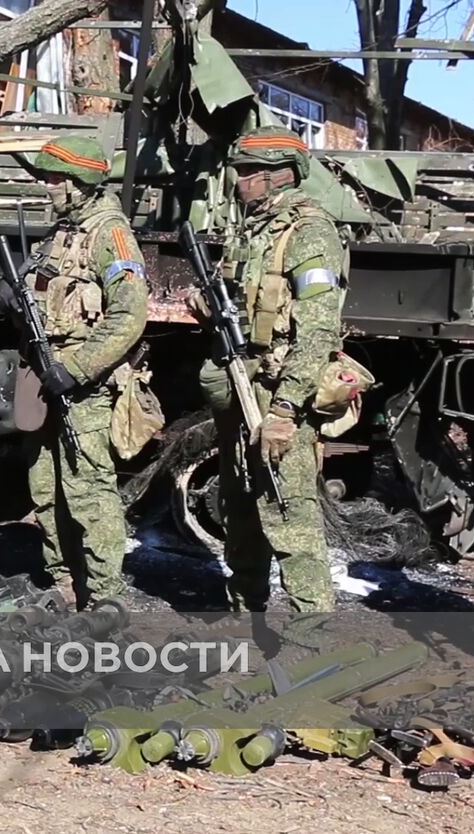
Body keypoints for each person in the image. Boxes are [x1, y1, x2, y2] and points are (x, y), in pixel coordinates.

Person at [200, 125, 345, 613]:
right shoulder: (255, 230)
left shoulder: (309, 233)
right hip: (242, 381)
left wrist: (285, 407)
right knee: (239, 504)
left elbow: (319, 331)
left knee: (288, 511)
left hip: (279, 390)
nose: (238, 181)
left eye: (246, 172)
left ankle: (311, 632)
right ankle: (246, 612)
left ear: (276, 175)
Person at [7, 136, 148, 605]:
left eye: (54, 178)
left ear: (79, 183)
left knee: (88, 491)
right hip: (43, 375)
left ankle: (105, 594)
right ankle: (63, 580)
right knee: (44, 486)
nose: (47, 186)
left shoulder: (110, 234)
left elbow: (129, 316)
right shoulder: (61, 232)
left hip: (82, 386)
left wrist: (78, 367)